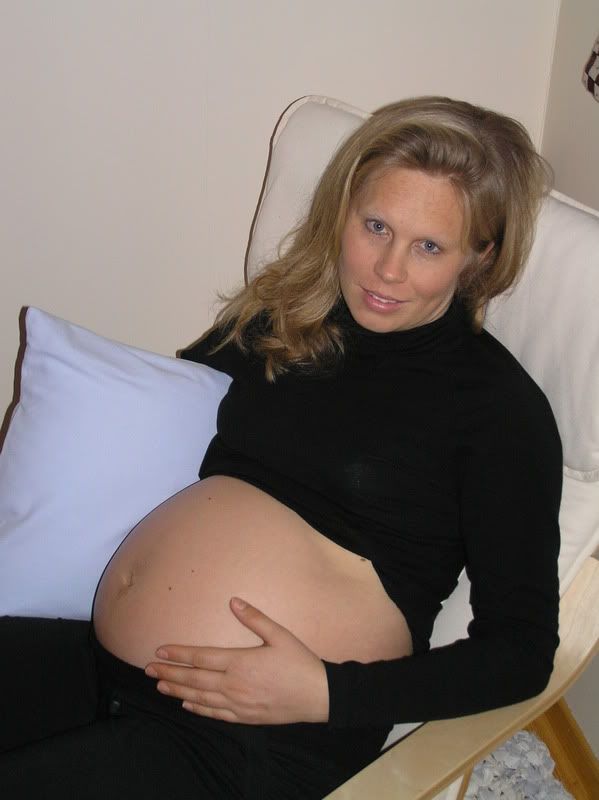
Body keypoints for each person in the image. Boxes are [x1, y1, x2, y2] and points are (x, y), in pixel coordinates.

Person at [0, 96, 561, 799]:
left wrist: (327, 692)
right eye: (376, 227)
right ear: (343, 212)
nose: (388, 269)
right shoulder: (287, 315)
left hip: (251, 738)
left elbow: (520, 653)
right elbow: (163, 414)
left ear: (479, 257)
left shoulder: (499, 411)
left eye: (428, 247)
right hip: (99, 659)